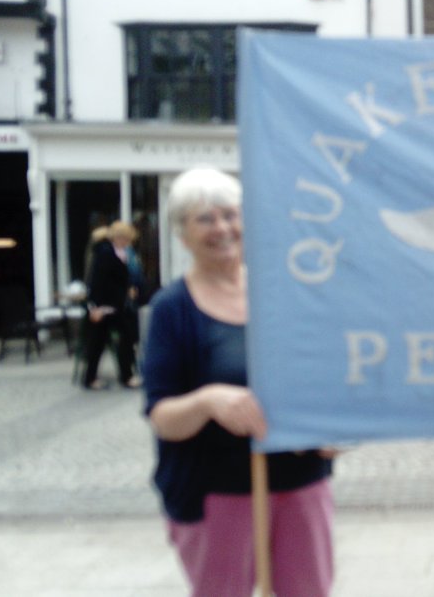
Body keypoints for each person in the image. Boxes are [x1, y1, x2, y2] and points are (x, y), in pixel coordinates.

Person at [142, 166, 334, 596]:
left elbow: (324, 381)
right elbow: (162, 416)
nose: (222, 228)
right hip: (217, 494)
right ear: (182, 234)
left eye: (230, 215)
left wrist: (332, 428)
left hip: (302, 484)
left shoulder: (285, 291)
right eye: (205, 219)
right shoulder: (172, 309)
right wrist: (208, 401)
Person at [82, 220, 141, 389]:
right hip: (105, 306)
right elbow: (97, 281)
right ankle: (94, 378)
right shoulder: (105, 253)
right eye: (127, 240)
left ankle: (123, 375)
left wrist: (128, 290)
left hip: (116, 305)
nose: (129, 243)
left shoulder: (118, 253)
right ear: (119, 238)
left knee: (123, 338)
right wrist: (95, 307)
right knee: (100, 342)